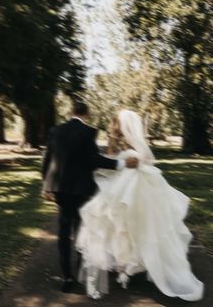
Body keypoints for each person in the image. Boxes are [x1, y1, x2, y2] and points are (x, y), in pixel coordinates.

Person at [76, 109, 204, 301]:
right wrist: (127, 163)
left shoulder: (124, 142)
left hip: (135, 187)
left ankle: (130, 263)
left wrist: (136, 163)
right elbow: (114, 162)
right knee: (124, 225)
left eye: (117, 121)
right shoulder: (115, 141)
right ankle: (125, 263)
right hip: (121, 186)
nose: (116, 125)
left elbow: (145, 160)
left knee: (134, 224)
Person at [41, 101, 138, 292]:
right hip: (82, 190)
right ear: (87, 114)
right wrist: (120, 164)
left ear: (71, 112)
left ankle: (67, 278)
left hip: (60, 189)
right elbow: (94, 160)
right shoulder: (88, 132)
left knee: (63, 231)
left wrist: (46, 186)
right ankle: (79, 271)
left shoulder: (55, 130)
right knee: (79, 231)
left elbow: (47, 159)